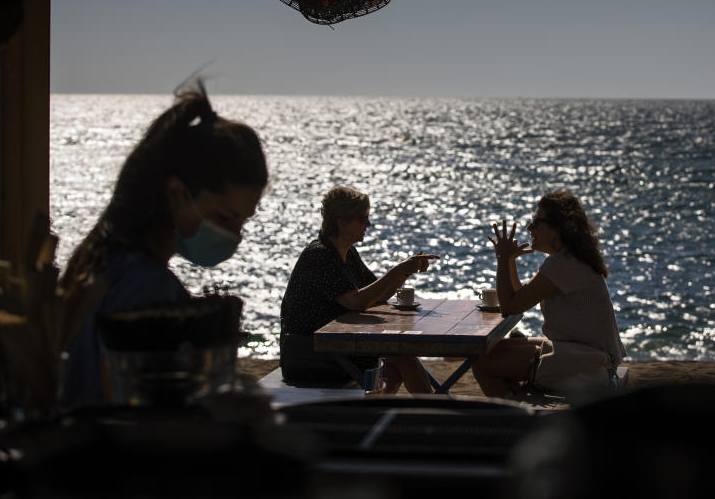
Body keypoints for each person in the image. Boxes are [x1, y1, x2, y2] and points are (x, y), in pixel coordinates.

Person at [61, 81, 268, 405]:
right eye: (224, 218)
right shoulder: (144, 288)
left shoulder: (102, 259)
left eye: (242, 222)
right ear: (176, 194)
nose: (234, 236)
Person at [280, 186, 439, 393]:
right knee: (402, 358)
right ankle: (435, 414)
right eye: (363, 218)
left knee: (395, 366)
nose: (368, 224)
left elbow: (377, 296)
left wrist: (406, 271)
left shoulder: (347, 253)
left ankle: (378, 415)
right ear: (342, 222)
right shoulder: (320, 255)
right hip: (311, 354)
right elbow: (356, 301)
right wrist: (398, 269)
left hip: (336, 347)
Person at [473, 190, 625, 398]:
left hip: (590, 363)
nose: (529, 228)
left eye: (536, 222)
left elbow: (510, 306)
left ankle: (513, 421)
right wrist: (509, 261)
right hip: (588, 354)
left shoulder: (563, 264)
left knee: (484, 364)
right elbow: (521, 294)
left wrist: (501, 258)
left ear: (557, 229)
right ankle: (516, 406)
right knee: (499, 349)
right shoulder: (569, 259)